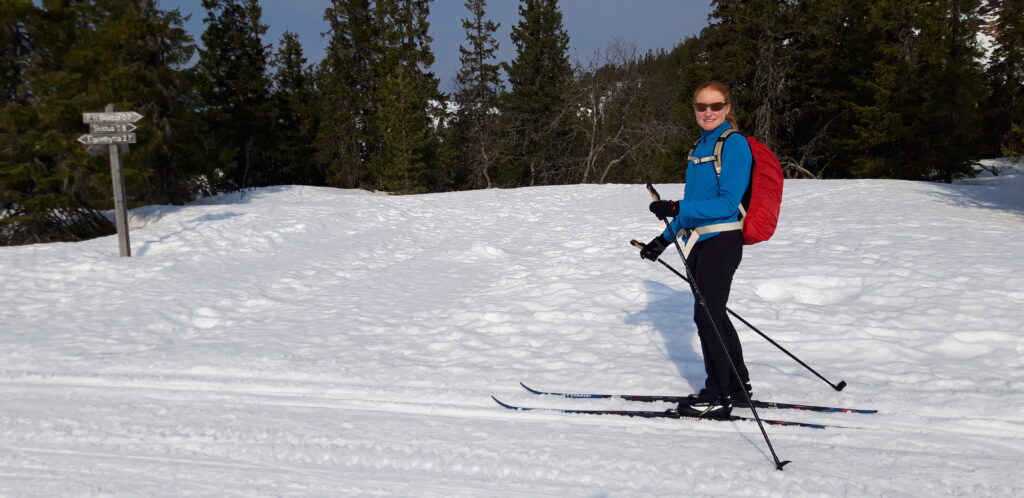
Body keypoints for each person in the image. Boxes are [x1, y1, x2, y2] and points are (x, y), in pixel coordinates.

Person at [639, 80, 752, 419]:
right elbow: (691, 206)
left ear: (727, 108)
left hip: (723, 240)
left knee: (706, 317)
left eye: (715, 106)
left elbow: (727, 202)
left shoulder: (734, 145)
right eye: (701, 107)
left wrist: (675, 207)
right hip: (700, 242)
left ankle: (718, 394)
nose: (708, 112)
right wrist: (663, 238)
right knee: (714, 315)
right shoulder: (699, 147)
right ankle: (737, 386)